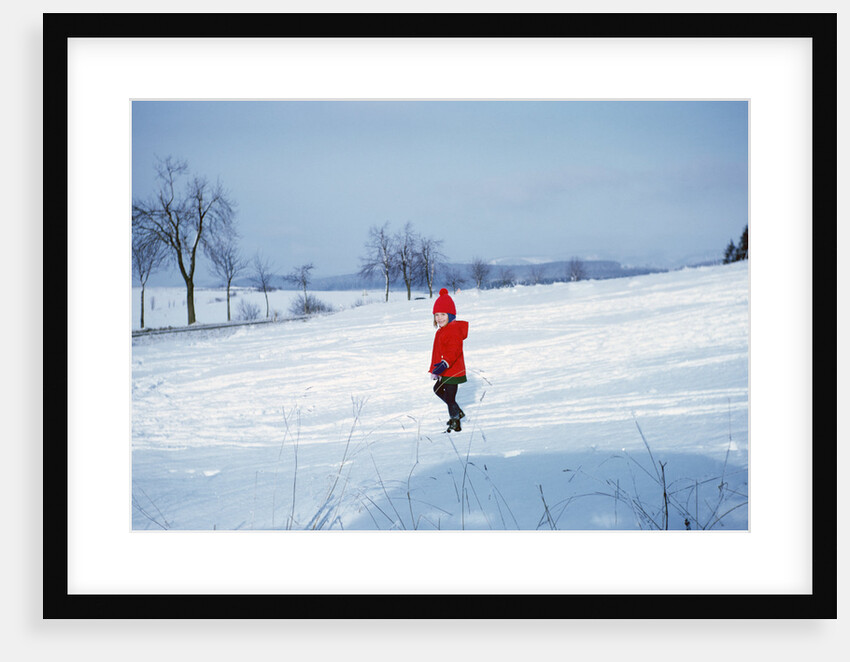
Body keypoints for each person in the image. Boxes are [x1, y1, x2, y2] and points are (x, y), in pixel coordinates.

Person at [429, 288, 469, 432]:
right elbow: (439, 352)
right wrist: (436, 368)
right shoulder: (442, 330)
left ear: (450, 315)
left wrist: (444, 364)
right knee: (437, 389)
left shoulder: (452, 330)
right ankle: (457, 412)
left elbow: (454, 350)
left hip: (453, 370)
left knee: (450, 397)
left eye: (443, 314)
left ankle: (455, 422)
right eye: (437, 315)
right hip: (445, 370)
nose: (439, 318)